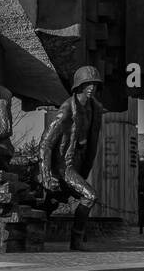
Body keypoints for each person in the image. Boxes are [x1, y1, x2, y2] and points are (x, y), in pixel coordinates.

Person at [39, 66, 104, 251]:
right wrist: (46, 175)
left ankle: (36, 236)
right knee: (89, 196)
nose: (91, 87)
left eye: (94, 84)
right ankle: (76, 241)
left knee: (50, 203)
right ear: (79, 85)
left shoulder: (95, 109)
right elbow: (46, 143)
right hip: (64, 165)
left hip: (80, 162)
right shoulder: (67, 109)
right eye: (87, 83)